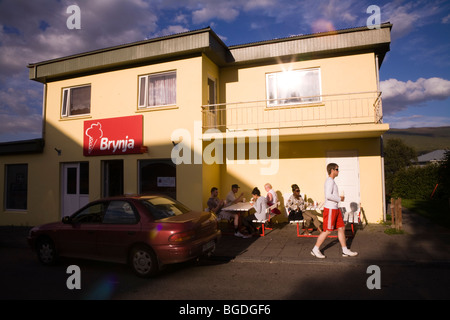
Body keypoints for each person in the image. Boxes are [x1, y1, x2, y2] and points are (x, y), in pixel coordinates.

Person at [311, 163, 358, 258]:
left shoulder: (332, 181)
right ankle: (315, 249)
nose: (338, 171)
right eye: (337, 169)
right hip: (331, 210)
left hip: (335, 209)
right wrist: (339, 198)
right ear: (332, 170)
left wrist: (338, 199)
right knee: (327, 231)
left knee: (341, 228)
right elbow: (328, 195)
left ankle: (345, 250)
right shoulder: (329, 181)